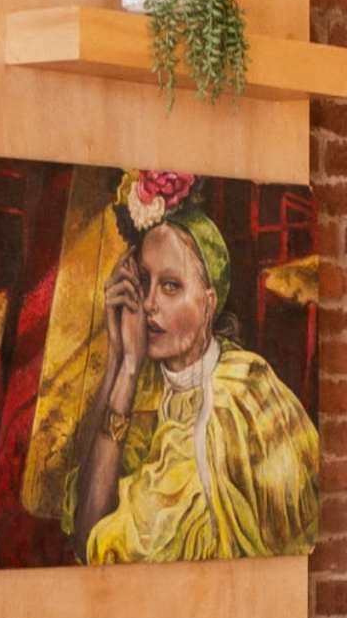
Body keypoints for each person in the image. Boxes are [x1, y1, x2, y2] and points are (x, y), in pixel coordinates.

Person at [66, 193, 318, 564]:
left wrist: (130, 367)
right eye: (144, 282)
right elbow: (84, 523)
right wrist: (119, 359)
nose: (148, 304)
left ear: (209, 303)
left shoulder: (238, 394)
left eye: (171, 286)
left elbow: (96, 542)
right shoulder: (153, 380)